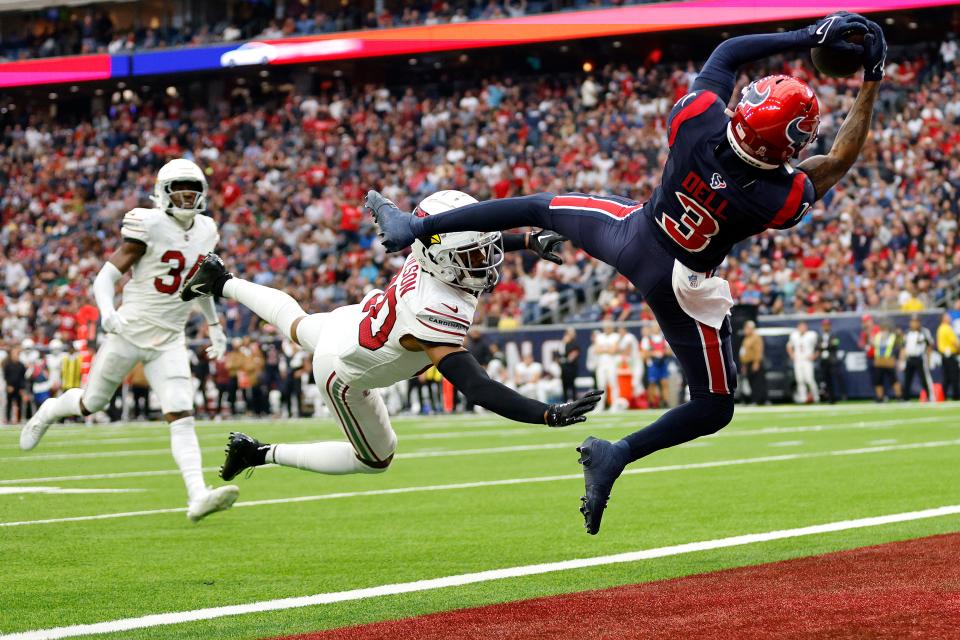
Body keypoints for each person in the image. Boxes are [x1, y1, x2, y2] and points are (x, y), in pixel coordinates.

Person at [367, 13, 885, 534]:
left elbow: (728, 52)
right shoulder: (779, 196)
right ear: (788, 145)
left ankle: (417, 226)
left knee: (540, 207)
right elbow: (838, 159)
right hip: (681, 282)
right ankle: (618, 455)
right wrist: (871, 78)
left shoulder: (697, 119)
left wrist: (805, 36)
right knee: (714, 406)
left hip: (633, 233)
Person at [180, 190, 602, 482]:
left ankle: (221, 281)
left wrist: (524, 239)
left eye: (487, 248)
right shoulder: (436, 307)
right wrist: (544, 413)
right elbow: (478, 387)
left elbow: (461, 235)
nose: (487, 259)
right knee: (375, 460)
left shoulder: (429, 251)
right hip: (345, 370)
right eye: (474, 255)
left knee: (296, 322)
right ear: (444, 259)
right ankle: (258, 453)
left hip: (356, 321)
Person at [19, 158, 239, 523]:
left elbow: (200, 282)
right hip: (130, 330)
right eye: (179, 188)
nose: (187, 196)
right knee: (92, 403)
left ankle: (198, 495)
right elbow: (104, 277)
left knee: (182, 414)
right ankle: (50, 411)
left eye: (194, 189)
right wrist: (107, 310)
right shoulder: (148, 224)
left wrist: (214, 324)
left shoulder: (206, 230)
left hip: (170, 338)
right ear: (163, 192)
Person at [901, 315, 935, 401]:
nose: (913, 324)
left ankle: (929, 397)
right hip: (909, 358)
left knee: (924, 379)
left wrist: (930, 359)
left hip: (920, 358)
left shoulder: (924, 332)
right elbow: (904, 347)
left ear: (919, 323)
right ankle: (905, 398)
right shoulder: (907, 333)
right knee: (907, 379)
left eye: (915, 322)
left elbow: (930, 345)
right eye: (912, 322)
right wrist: (902, 360)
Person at [787, 321, 819, 403]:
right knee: (800, 380)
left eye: (804, 327)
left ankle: (816, 397)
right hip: (798, 360)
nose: (802, 329)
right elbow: (789, 346)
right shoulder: (794, 335)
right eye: (800, 327)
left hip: (807, 360)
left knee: (809, 379)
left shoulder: (811, 335)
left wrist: (815, 355)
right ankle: (803, 398)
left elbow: (819, 346)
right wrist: (792, 355)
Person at [593, 322, 621, 410]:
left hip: (611, 364)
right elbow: (596, 350)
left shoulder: (615, 336)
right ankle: (600, 405)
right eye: (606, 327)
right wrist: (607, 348)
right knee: (601, 385)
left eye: (609, 327)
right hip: (601, 364)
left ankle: (615, 405)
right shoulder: (599, 336)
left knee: (613, 384)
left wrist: (603, 348)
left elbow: (614, 350)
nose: (607, 328)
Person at [872, 321, 901, 402]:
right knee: (878, 381)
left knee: (894, 380)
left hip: (889, 360)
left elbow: (899, 345)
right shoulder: (877, 336)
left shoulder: (893, 336)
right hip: (879, 361)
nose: (883, 329)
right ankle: (880, 398)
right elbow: (873, 345)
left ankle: (899, 397)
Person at [739, 320, 766, 405]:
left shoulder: (756, 337)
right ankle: (753, 399)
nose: (745, 330)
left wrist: (756, 362)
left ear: (751, 328)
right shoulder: (746, 338)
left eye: (747, 328)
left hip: (754, 362)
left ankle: (758, 400)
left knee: (757, 382)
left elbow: (758, 351)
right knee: (751, 382)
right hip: (747, 363)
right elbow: (744, 353)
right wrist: (744, 364)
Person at [818, 318, 844, 403]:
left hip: (832, 360)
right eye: (824, 325)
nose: (825, 327)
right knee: (826, 380)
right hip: (824, 360)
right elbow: (817, 346)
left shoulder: (834, 335)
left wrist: (825, 346)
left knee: (834, 379)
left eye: (827, 325)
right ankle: (830, 397)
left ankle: (838, 396)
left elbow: (835, 344)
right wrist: (825, 346)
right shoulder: (820, 336)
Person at [937, 312, 959, 401]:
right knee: (954, 377)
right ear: (943, 319)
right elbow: (955, 343)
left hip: (944, 355)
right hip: (950, 355)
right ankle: (956, 396)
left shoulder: (940, 328)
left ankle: (944, 396)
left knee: (947, 377)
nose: (949, 318)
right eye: (947, 316)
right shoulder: (947, 328)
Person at [3, 348, 27, 423]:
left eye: (16, 354)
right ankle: (8, 419)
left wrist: (22, 388)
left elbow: (23, 377)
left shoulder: (21, 365)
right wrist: (8, 386)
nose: (15, 356)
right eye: (13, 354)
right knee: (9, 404)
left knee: (19, 404)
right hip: (10, 387)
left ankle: (19, 420)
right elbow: (5, 377)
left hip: (19, 387)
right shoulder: (7, 365)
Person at [559, 328, 581, 402]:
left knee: (572, 386)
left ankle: (575, 402)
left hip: (571, 368)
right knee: (564, 386)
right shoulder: (563, 344)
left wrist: (565, 359)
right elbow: (559, 355)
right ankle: (565, 402)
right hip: (564, 368)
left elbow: (571, 357)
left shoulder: (574, 344)